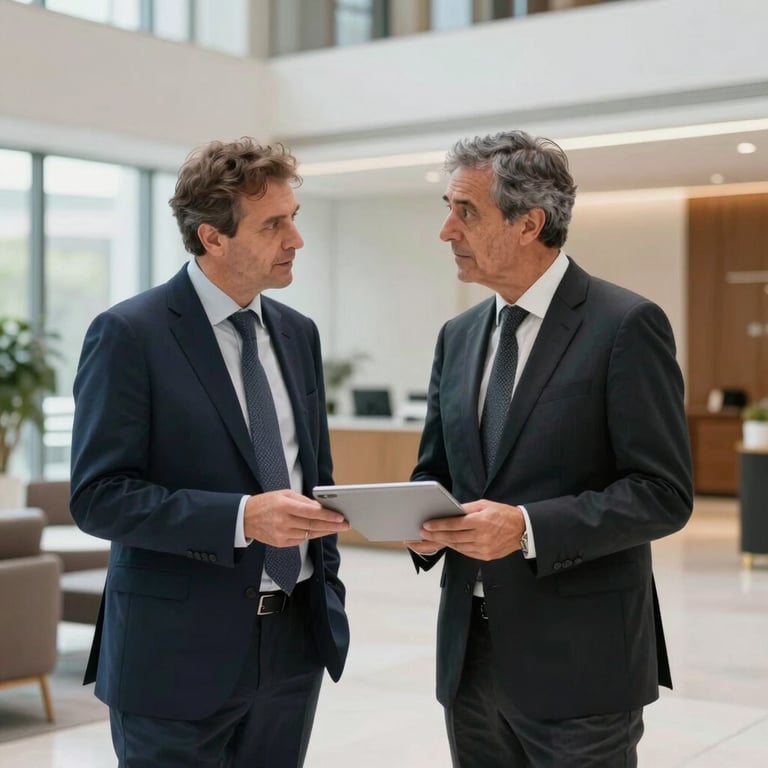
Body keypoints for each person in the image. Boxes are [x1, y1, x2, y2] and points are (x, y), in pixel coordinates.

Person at [407, 130, 693, 767]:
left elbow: (663, 495)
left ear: (529, 223)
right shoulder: (458, 336)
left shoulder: (625, 325)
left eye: (466, 211)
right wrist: (417, 521)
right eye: (447, 210)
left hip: (582, 665)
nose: (447, 231)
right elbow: (438, 471)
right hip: (469, 663)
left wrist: (527, 528)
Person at [69, 138, 350, 768]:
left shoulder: (298, 334)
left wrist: (326, 591)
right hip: (173, 659)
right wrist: (240, 518)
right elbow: (98, 498)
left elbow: (312, 476)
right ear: (213, 238)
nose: (295, 239)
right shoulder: (129, 335)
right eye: (273, 224)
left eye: (293, 218)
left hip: (293, 645)